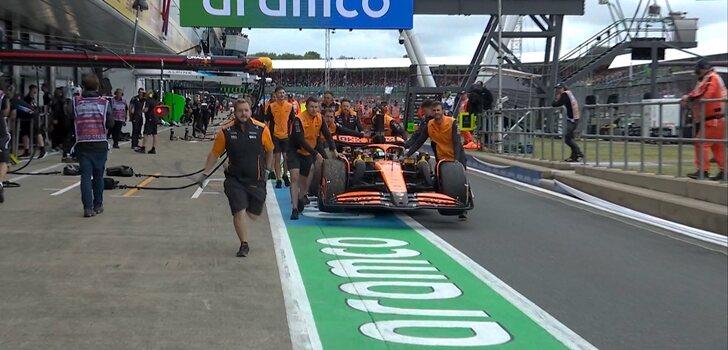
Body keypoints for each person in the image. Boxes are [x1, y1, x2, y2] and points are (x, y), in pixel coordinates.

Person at [199, 99, 273, 257]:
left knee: (253, 214)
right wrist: (205, 174)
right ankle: (244, 244)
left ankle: (247, 205)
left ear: (251, 111)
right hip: (235, 179)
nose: (243, 113)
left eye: (246, 110)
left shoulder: (262, 129)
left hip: (256, 179)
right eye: (240, 111)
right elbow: (214, 154)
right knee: (239, 210)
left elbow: (270, 150)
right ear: (235, 112)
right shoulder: (225, 131)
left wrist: (267, 169)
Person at [405, 101, 467, 220]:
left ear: (442, 110)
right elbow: (419, 141)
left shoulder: (452, 122)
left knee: (460, 181)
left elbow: (457, 143)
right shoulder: (430, 124)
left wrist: (457, 161)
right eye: (434, 111)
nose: (436, 113)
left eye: (438, 110)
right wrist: (408, 154)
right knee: (443, 182)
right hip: (441, 158)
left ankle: (462, 209)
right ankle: (444, 202)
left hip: (456, 156)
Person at [288, 96, 338, 220]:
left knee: (304, 181)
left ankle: (301, 197)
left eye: (316, 107)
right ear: (307, 106)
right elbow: (299, 140)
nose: (314, 109)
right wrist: (316, 153)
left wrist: (334, 150)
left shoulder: (320, 118)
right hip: (295, 149)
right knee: (294, 176)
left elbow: (327, 135)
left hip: (308, 152)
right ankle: (294, 208)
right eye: (311, 107)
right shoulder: (298, 120)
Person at [71, 74, 114, 218]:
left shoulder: (76, 102)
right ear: (97, 87)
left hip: (82, 144)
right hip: (100, 143)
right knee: (98, 176)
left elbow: (70, 118)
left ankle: (87, 208)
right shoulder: (104, 103)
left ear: (83, 86)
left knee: (85, 177)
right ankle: (98, 205)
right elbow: (110, 123)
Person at [683, 60, 726, 181]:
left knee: (700, 142)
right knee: (717, 146)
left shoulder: (711, 78)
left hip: (713, 118)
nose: (696, 74)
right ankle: (724, 171)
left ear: (701, 69)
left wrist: (689, 98)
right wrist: (688, 97)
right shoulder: (709, 78)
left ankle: (703, 171)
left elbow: (705, 94)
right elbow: (698, 92)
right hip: (717, 118)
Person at [265, 86, 294, 189]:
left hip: (286, 136)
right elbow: (267, 121)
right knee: (277, 158)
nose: (282, 94)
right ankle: (278, 179)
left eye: (283, 93)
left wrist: (292, 135)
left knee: (286, 157)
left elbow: (293, 121)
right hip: (275, 135)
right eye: (280, 93)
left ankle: (285, 175)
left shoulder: (290, 106)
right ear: (276, 95)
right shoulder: (271, 106)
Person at [552, 83, 584, 162]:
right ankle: (574, 157)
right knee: (571, 137)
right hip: (574, 118)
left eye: (559, 88)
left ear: (563, 88)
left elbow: (557, 104)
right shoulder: (569, 93)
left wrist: (554, 101)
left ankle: (579, 153)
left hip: (572, 119)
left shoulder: (565, 94)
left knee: (567, 138)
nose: (558, 90)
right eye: (557, 89)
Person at [19, 84, 46, 158]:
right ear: (32, 89)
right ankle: (26, 150)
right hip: (27, 118)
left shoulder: (35, 98)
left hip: (34, 118)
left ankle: (42, 149)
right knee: (25, 133)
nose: (36, 91)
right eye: (35, 89)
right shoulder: (27, 98)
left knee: (37, 132)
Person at [0, 81, 11, 203]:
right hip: (0, 128)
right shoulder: (3, 95)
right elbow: (6, 112)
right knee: (3, 159)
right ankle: (0, 182)